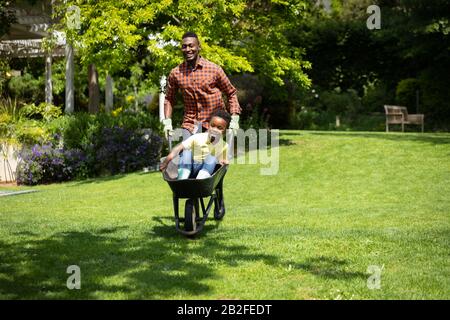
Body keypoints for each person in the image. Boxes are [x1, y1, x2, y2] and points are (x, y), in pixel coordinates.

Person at [162, 31, 240, 141]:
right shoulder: (176, 73)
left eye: (191, 46)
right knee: (186, 156)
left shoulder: (214, 69)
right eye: (184, 47)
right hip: (190, 123)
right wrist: (167, 122)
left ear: (199, 47)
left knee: (207, 156)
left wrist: (235, 117)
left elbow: (231, 93)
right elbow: (169, 98)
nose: (188, 49)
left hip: (213, 123)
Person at [160, 110, 231, 179]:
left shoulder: (224, 146)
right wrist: (165, 162)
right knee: (186, 152)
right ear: (208, 126)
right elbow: (177, 149)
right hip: (190, 168)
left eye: (219, 128)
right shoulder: (198, 137)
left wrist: (224, 162)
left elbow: (223, 160)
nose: (215, 129)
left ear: (225, 131)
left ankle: (202, 180)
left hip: (206, 170)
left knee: (211, 158)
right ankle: (183, 177)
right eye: (212, 126)